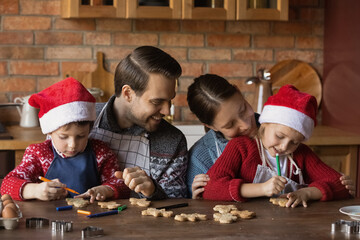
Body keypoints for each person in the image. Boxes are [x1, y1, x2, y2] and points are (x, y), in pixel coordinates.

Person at [186, 74, 355, 199]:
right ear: (210, 126)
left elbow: (339, 184)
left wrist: (308, 192)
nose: (246, 125)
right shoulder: (205, 156)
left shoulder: (280, 127)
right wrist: (198, 199)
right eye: (230, 125)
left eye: (243, 109)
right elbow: (209, 194)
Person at [1, 78, 129, 202]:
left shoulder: (101, 152)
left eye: (81, 136)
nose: (72, 145)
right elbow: (6, 185)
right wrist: (34, 190)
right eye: (63, 137)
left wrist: (105, 190)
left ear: (89, 130)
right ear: (50, 131)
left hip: (90, 218)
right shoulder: (38, 153)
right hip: (48, 220)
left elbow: (121, 185)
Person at [89, 46, 188, 200]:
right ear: (128, 93)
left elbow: (178, 205)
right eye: (157, 101)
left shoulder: (172, 141)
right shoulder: (82, 120)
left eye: (170, 100)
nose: (167, 111)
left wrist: (153, 191)